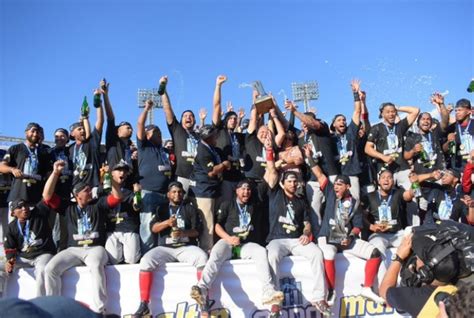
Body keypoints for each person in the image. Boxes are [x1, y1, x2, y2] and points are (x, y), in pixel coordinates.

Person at [190, 180, 283, 315]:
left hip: (246, 244)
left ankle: (268, 291)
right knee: (215, 254)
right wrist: (228, 238)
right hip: (228, 242)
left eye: (249, 189)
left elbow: (267, 180)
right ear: (236, 191)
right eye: (243, 189)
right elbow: (217, 226)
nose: (246, 192)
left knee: (261, 251)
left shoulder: (254, 204)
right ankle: (202, 289)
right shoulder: (227, 204)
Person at [42, 160, 124, 314]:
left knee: (95, 264)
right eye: (86, 190)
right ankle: (53, 309)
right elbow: (47, 196)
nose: (90, 192)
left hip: (95, 248)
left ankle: (100, 310)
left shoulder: (97, 204)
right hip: (73, 249)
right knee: (50, 269)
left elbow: (117, 196)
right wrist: (55, 173)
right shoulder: (68, 207)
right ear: (77, 195)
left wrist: (109, 177)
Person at [262, 136, 330, 316]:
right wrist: (269, 150)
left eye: (295, 181)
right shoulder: (275, 193)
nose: (293, 183)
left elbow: (307, 223)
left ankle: (319, 298)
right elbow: (271, 170)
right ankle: (275, 303)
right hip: (277, 239)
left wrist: (307, 233)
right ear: (282, 183)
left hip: (296, 240)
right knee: (272, 254)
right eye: (289, 181)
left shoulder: (301, 200)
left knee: (316, 253)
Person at [133, 181, 207, 317]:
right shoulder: (161, 208)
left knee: (202, 257)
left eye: (179, 192)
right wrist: (166, 222)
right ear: (168, 194)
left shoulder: (189, 208)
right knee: (145, 260)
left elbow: (197, 231)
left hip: (185, 246)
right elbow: (153, 228)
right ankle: (144, 304)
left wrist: (183, 233)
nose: (177, 194)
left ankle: (204, 301)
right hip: (165, 247)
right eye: (174, 192)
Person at [317, 174, 385, 305]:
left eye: (340, 184)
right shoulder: (331, 193)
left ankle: (367, 288)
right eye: (335, 183)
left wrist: (351, 237)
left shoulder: (355, 202)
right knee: (329, 254)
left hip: (345, 239)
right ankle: (331, 291)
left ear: (348, 186)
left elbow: (358, 226)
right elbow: (319, 175)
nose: (336, 186)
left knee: (375, 253)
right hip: (327, 237)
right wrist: (309, 156)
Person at [380, 231, 460, 317]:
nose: (416, 258)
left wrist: (398, 257)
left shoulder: (416, 298)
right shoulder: (462, 288)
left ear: (424, 273)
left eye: (418, 259)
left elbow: (384, 291)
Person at [136, 99, 172, 252]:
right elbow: (139, 125)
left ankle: (161, 254)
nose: (158, 134)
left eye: (159, 131)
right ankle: (146, 256)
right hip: (149, 192)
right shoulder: (144, 146)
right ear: (147, 134)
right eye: (154, 132)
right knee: (147, 227)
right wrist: (146, 109)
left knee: (163, 226)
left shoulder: (164, 151)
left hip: (165, 194)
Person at [3, 198, 56, 297]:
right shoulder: (12, 226)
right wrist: (10, 261)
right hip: (24, 258)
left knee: (42, 270)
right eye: (20, 207)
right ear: (13, 213)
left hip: (42, 254)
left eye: (26, 205)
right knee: (3, 268)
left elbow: (46, 198)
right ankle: (3, 300)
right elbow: (10, 247)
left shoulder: (38, 214)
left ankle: (41, 301)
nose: (24, 209)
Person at [190, 124, 231, 252]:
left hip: (211, 190)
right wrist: (224, 164)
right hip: (203, 192)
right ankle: (206, 252)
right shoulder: (203, 149)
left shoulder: (211, 148)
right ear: (208, 137)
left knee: (212, 222)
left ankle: (211, 249)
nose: (216, 137)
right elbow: (211, 171)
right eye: (214, 135)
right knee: (207, 225)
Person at [365, 103, 420, 189]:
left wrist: (397, 107)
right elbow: (367, 148)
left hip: (403, 168)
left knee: (411, 195)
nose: (391, 114)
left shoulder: (400, 126)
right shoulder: (376, 128)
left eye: (393, 112)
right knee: (388, 199)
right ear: (382, 114)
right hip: (385, 171)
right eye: (388, 112)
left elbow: (415, 111)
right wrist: (382, 157)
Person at [160, 75, 200, 196]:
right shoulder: (177, 130)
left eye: (191, 116)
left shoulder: (200, 136)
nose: (188, 117)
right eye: (185, 116)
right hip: (182, 177)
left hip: (198, 178)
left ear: (195, 120)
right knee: (181, 207)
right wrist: (163, 89)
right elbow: (168, 110)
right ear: (181, 120)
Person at [362, 169, 414, 257]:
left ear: (393, 181)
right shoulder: (369, 196)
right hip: (378, 234)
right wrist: (372, 227)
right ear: (378, 181)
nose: (386, 180)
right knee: (377, 249)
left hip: (397, 233)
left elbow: (409, 195)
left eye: (389, 178)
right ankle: (381, 270)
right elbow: (362, 216)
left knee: (411, 242)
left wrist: (415, 183)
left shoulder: (398, 193)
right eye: (383, 178)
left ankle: (410, 268)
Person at [329, 79, 365, 202]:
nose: (342, 122)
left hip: (352, 174)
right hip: (338, 175)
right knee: (337, 203)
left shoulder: (351, 132)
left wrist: (355, 93)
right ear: (333, 124)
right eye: (339, 120)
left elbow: (357, 111)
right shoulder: (330, 139)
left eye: (344, 120)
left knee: (355, 201)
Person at [0, 122, 50, 208]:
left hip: (36, 197)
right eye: (33, 131)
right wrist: (12, 169)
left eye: (37, 132)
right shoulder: (16, 148)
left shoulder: (43, 152)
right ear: (26, 132)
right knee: (15, 221)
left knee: (36, 221)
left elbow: (47, 173)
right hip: (18, 195)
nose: (35, 134)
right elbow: (1, 166)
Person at [102, 78, 138, 189]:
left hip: (129, 184)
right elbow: (110, 117)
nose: (130, 130)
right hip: (113, 184)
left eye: (131, 128)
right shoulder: (113, 140)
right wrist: (105, 95)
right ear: (117, 131)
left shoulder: (131, 147)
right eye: (127, 127)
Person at [104, 160, 141, 265]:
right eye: (118, 170)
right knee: (113, 259)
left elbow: (137, 207)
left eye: (125, 171)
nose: (122, 173)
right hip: (112, 229)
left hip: (129, 229)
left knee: (132, 259)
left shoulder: (129, 192)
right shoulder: (103, 191)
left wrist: (137, 194)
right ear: (111, 173)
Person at [445, 98, 473, 170]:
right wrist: (449, 142)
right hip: (458, 168)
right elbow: (444, 150)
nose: (457, 112)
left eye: (460, 110)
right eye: (456, 111)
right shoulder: (451, 128)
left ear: (469, 111)